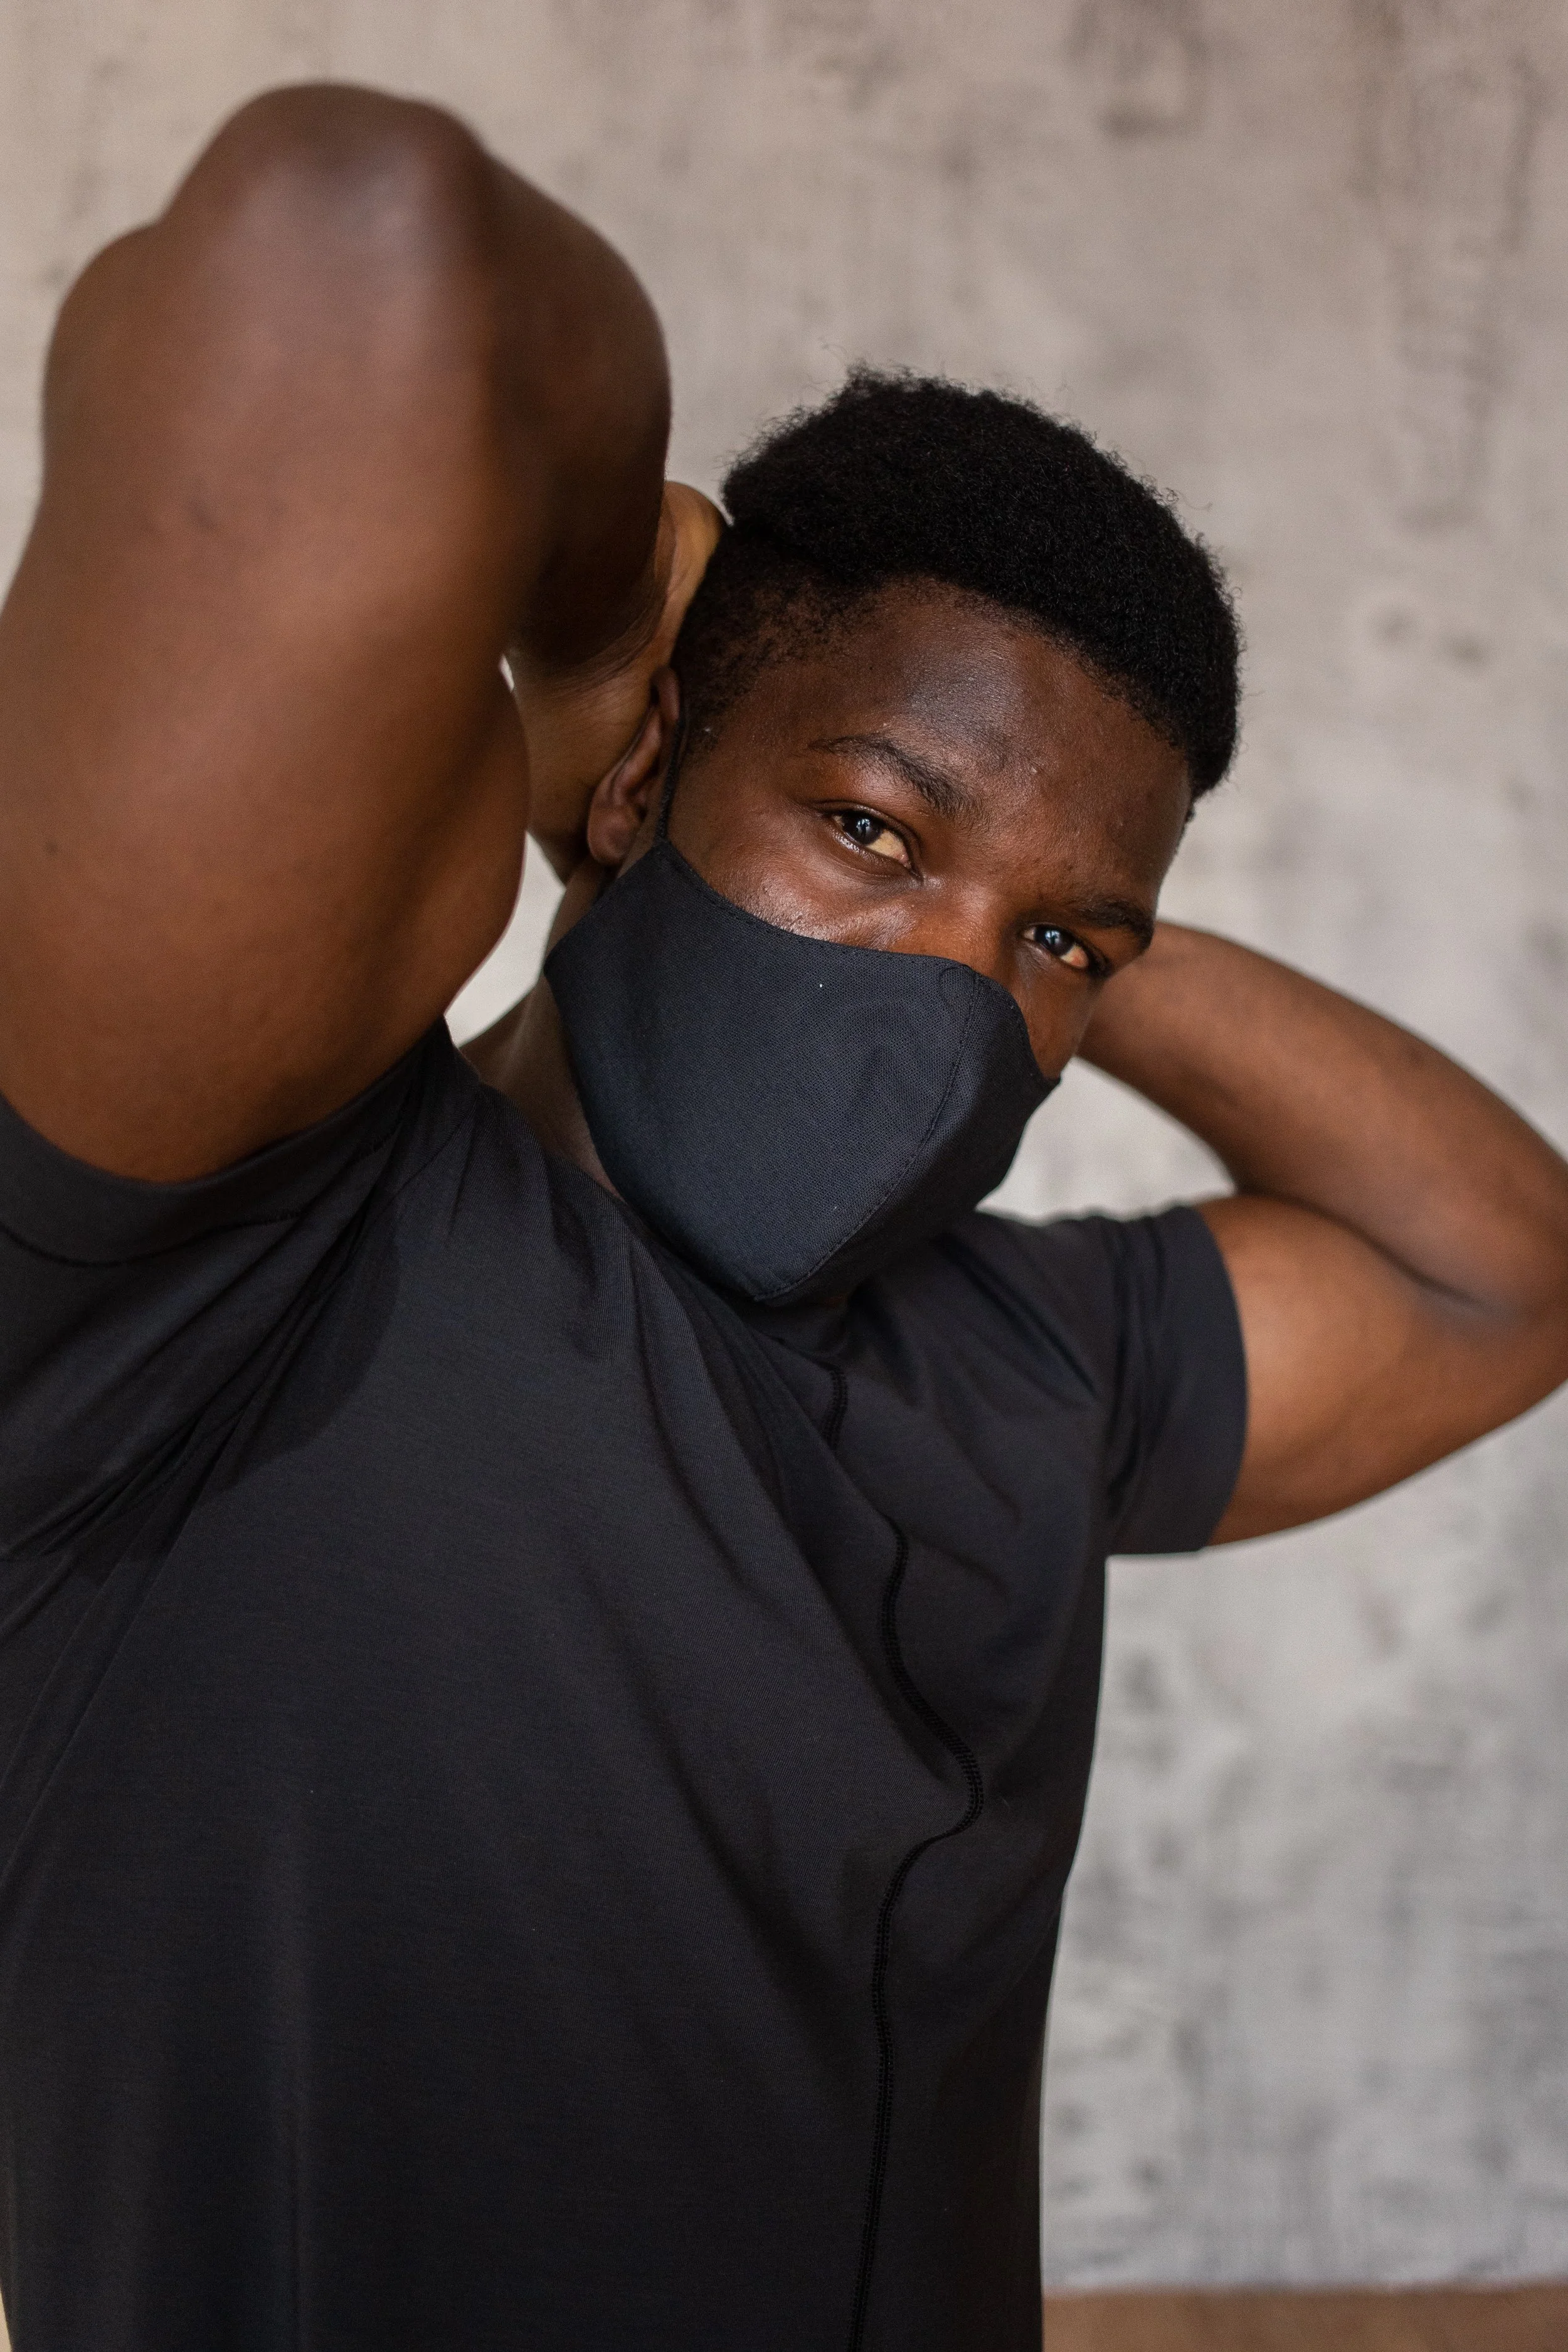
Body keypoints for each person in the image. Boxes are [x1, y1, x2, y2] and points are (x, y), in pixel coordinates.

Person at [0, 85, 1564, 2352]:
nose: (950, 1000)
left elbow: (1495, 1267)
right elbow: (344, 242)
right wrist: (594, 640)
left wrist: (1033, 903)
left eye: (1056, 950)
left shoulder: (1025, 1354)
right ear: (644, 776)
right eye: (866, 828)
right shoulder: (222, 1252)